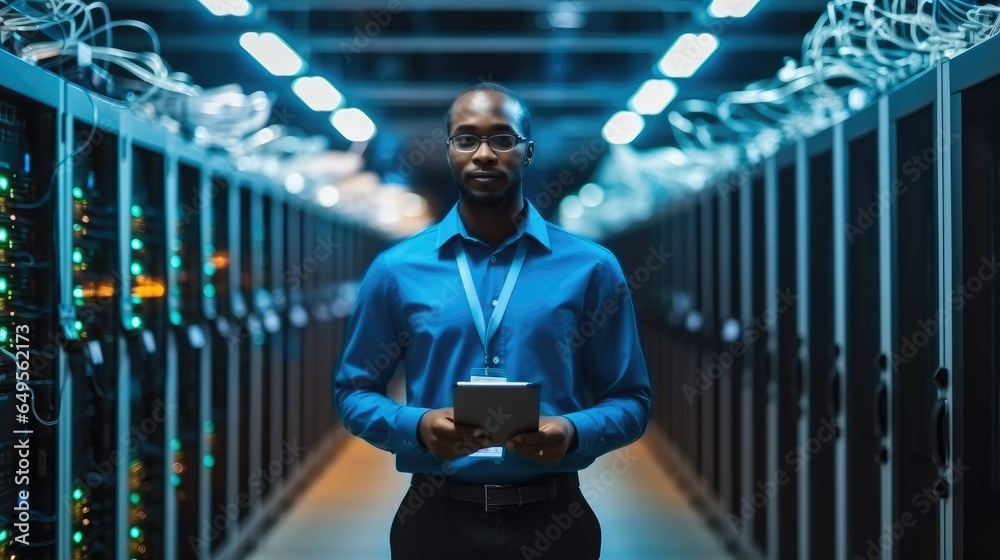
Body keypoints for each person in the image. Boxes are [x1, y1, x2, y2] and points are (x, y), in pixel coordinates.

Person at [333, 82, 651, 560]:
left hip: (554, 519)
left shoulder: (592, 267)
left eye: (502, 138)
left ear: (527, 152)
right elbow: (352, 391)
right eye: (466, 139)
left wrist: (574, 432)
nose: (483, 154)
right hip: (436, 521)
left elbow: (632, 399)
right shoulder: (396, 269)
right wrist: (416, 426)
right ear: (449, 151)